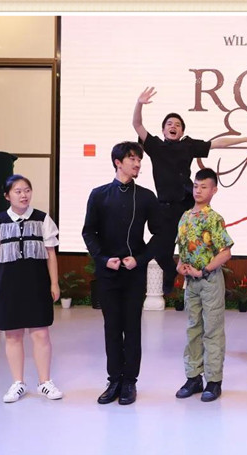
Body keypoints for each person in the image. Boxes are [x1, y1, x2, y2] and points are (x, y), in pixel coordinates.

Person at [132, 87, 247, 294]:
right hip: (165, 207)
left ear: (182, 131)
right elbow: (137, 124)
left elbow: (217, 144)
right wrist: (139, 103)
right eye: (169, 124)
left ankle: (203, 280)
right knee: (159, 250)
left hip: (186, 205)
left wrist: (245, 139)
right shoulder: (155, 146)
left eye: (177, 125)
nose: (173, 126)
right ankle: (170, 272)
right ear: (164, 130)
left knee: (197, 244)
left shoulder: (188, 145)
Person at [82, 142, 160, 406]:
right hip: (108, 273)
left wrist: (139, 259)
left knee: (132, 327)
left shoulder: (146, 197)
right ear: (118, 162)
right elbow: (88, 232)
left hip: (134, 273)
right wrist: (104, 259)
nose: (137, 163)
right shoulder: (99, 195)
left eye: (139, 159)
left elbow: (160, 234)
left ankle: (129, 382)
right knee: (112, 327)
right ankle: (114, 379)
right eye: (132, 159)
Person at [0, 174, 63, 403]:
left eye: (27, 190)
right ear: (7, 196)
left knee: (41, 333)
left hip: (37, 284)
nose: (24, 195)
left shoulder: (43, 219)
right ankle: (18, 383)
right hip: (8, 285)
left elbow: (51, 254)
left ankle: (45, 382)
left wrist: (54, 283)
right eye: (18, 191)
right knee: (13, 335)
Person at [174, 168, 234, 402]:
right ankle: (193, 377)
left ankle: (214, 381)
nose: (198, 190)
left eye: (204, 187)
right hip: (191, 283)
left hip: (209, 281)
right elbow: (182, 250)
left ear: (214, 190)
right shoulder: (185, 217)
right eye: (196, 186)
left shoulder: (213, 218)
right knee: (193, 329)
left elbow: (226, 252)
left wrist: (204, 270)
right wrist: (180, 266)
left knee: (212, 330)